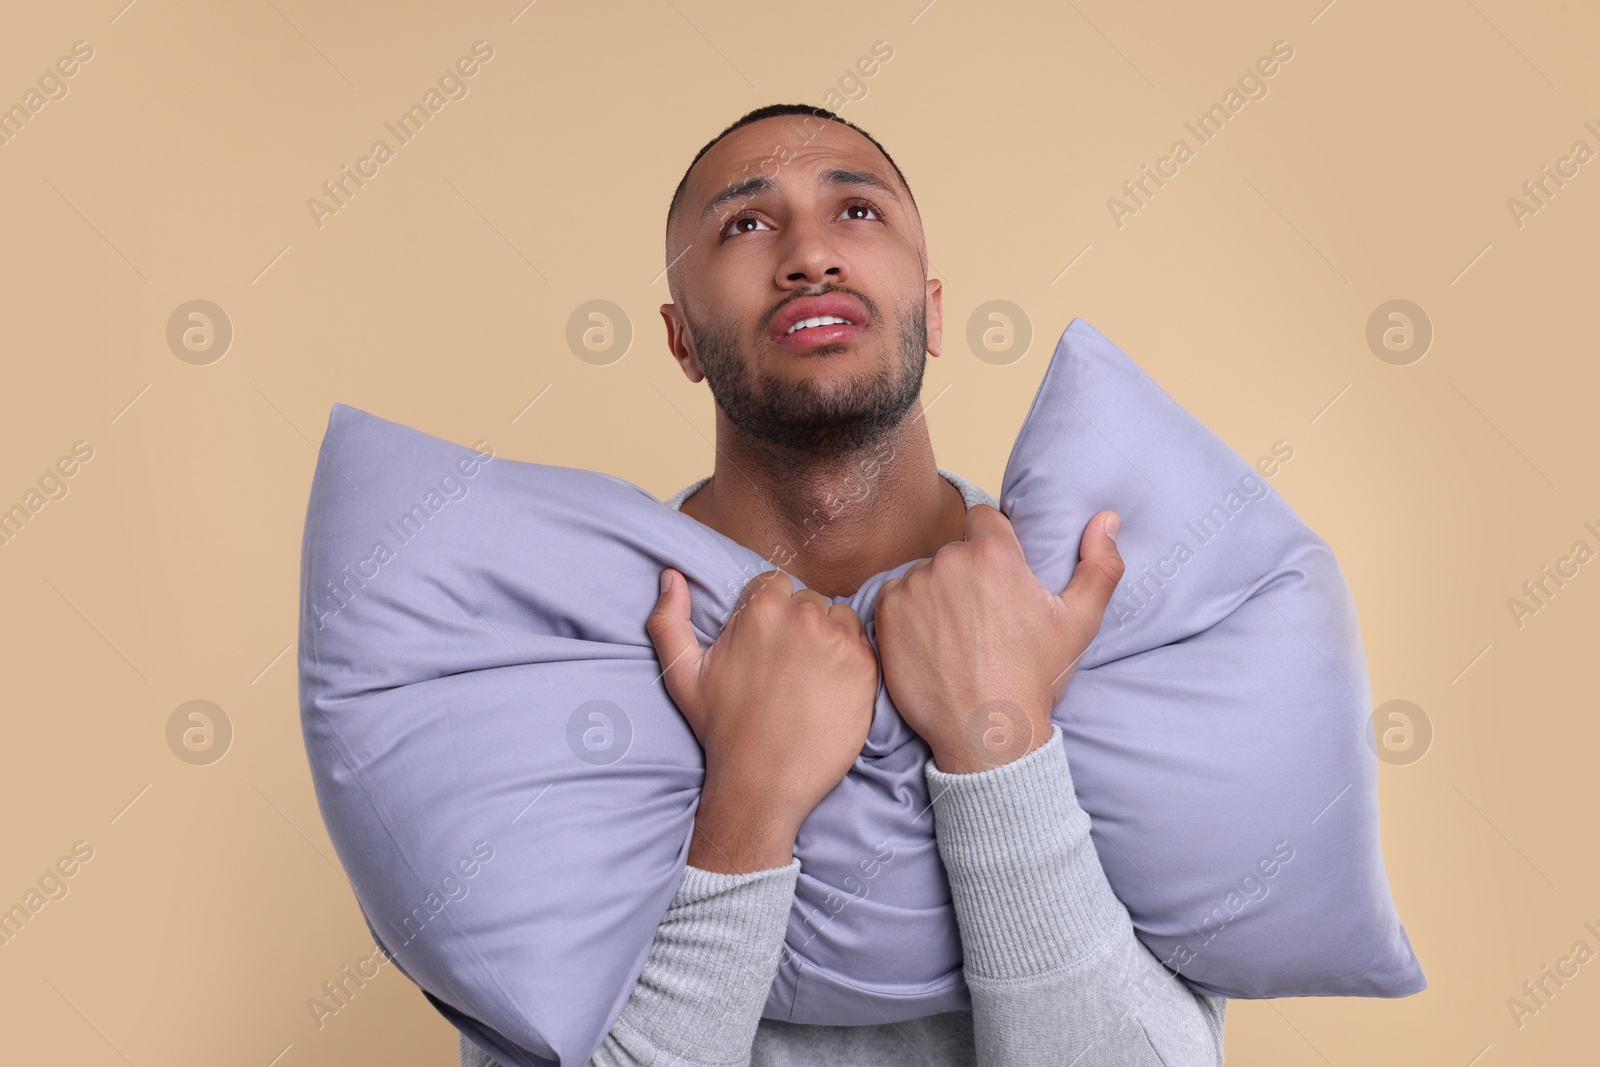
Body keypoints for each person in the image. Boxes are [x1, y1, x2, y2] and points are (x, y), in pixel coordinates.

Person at [462, 103, 1226, 1067]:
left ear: (934, 309)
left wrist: (1002, 739)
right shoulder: (568, 653)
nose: (809, 254)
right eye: (745, 224)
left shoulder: (1099, 606)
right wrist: (745, 808)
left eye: (858, 212)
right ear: (681, 339)